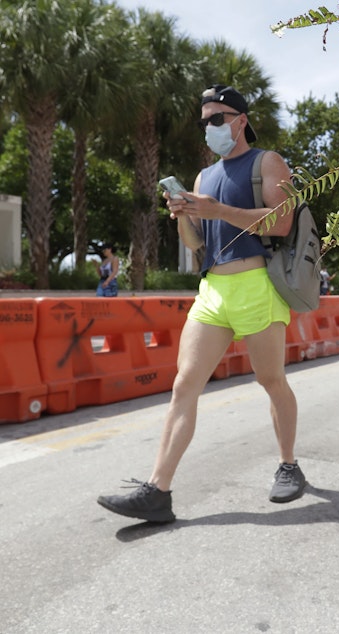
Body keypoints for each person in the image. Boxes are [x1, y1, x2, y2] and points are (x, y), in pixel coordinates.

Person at [97, 85, 306, 523]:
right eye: (204, 122)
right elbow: (196, 241)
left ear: (241, 120)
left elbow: (282, 222)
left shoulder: (268, 162)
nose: (210, 128)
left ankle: (288, 463)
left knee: (270, 380)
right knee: (184, 384)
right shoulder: (202, 177)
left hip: (256, 283)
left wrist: (219, 210)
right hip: (212, 289)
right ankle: (158, 491)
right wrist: (184, 216)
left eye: (217, 119)